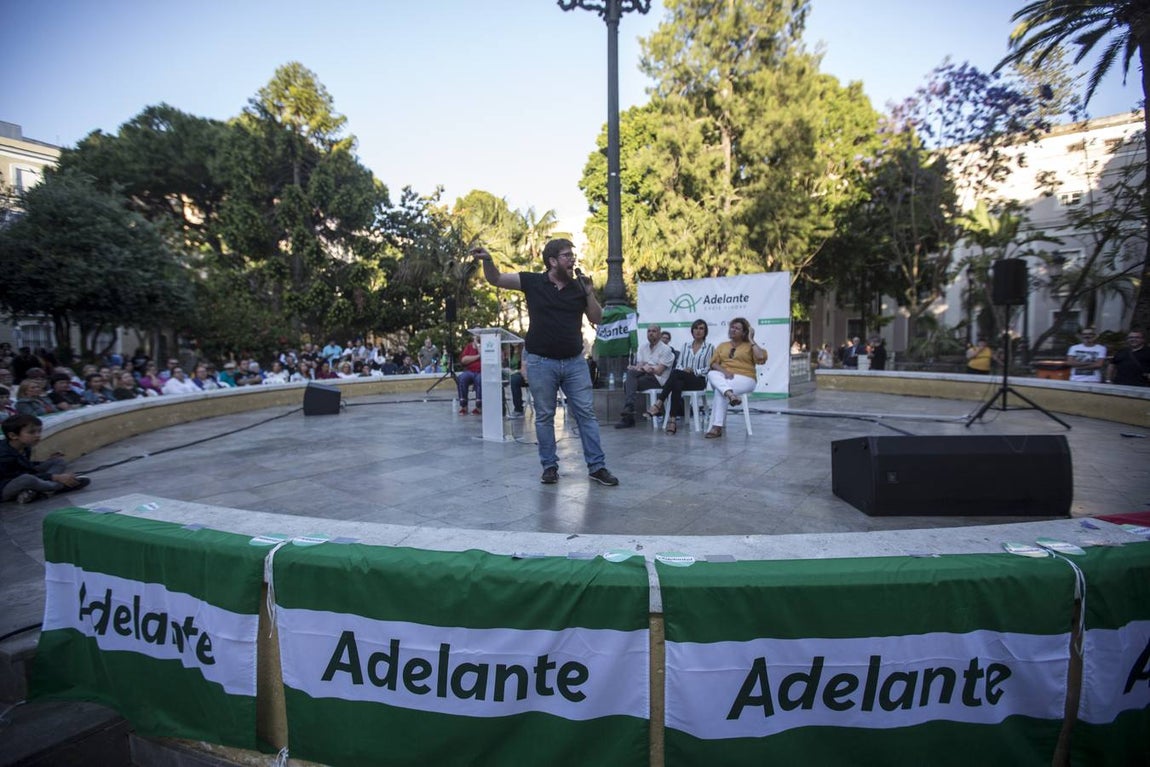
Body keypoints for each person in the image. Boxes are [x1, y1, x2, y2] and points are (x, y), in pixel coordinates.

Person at [474, 239, 618, 486]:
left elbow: (597, 318)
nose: (572, 260)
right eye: (566, 256)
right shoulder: (532, 281)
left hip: (574, 362)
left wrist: (589, 292)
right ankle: (549, 466)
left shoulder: (578, 288)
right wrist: (488, 261)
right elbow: (496, 279)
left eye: (572, 255)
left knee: (586, 414)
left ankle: (597, 467)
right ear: (552, 261)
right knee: (544, 416)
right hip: (541, 362)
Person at [0, 414, 91, 503]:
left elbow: (26, 466)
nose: (37, 435)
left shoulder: (25, 446)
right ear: (13, 436)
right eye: (32, 432)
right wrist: (55, 477)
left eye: (39, 431)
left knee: (57, 461)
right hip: (4, 487)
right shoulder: (3, 454)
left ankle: (36, 490)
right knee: (27, 479)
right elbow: (16, 475)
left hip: (24, 477)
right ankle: (60, 486)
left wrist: (47, 462)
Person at [646, 319, 714, 435]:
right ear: (692, 331)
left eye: (701, 328)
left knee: (675, 374)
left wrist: (694, 370)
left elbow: (709, 368)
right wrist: (684, 370)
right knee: (677, 383)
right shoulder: (686, 346)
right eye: (696, 328)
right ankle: (672, 420)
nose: (698, 331)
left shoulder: (709, 347)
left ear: (705, 332)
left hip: (698, 380)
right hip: (683, 378)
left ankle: (659, 403)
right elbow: (679, 364)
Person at [704, 317, 767, 439]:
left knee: (719, 390)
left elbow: (760, 358)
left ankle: (717, 427)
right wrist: (725, 372)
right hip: (724, 376)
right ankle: (731, 395)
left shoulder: (750, 346)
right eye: (732, 327)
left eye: (737, 328)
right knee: (712, 374)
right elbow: (713, 364)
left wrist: (751, 339)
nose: (733, 330)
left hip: (745, 378)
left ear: (744, 332)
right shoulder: (722, 346)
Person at [615, 324, 675, 429]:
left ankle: (629, 417)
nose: (651, 333)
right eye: (649, 331)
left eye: (654, 331)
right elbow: (640, 365)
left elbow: (659, 371)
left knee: (628, 384)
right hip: (644, 375)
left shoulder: (666, 350)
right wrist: (637, 367)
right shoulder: (643, 347)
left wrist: (647, 367)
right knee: (631, 373)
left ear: (660, 334)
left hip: (658, 380)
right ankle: (629, 408)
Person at [457, 335, 483, 415]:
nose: (477, 335)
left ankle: (479, 407)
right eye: (475, 334)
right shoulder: (468, 347)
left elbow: (484, 355)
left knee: (480, 379)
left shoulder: (485, 345)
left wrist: (478, 345)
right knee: (462, 378)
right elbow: (464, 360)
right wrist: (478, 356)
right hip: (470, 371)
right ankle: (463, 406)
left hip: (481, 371)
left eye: (479, 333)